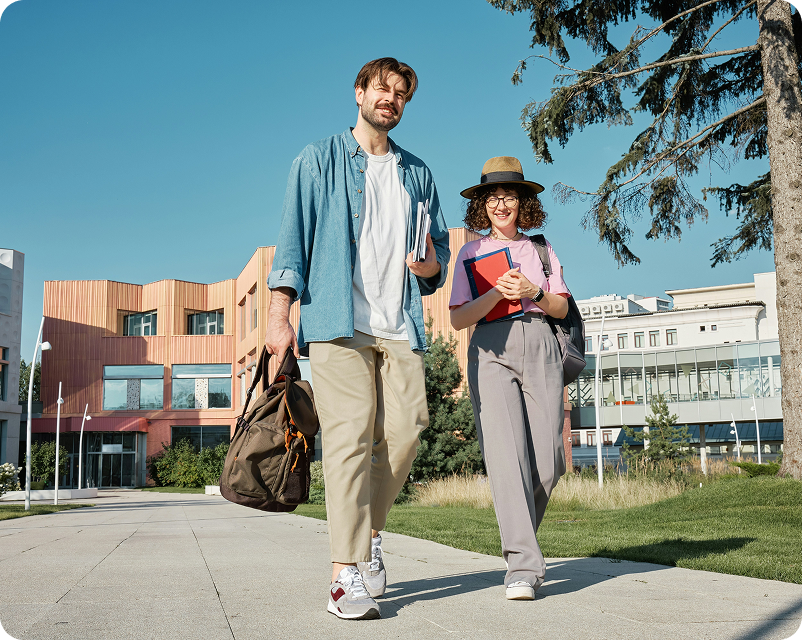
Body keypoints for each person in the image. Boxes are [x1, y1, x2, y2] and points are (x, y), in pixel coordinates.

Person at [265, 57, 450, 620]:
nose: (390, 98)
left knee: (407, 431)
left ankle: (369, 538)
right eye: (382, 89)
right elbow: (293, 242)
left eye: (401, 93)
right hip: (336, 323)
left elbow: (437, 254)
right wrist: (279, 316)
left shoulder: (417, 172)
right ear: (359, 93)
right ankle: (344, 577)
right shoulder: (316, 159)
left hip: (398, 323)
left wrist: (427, 266)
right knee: (347, 440)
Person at [449, 156, 569, 601]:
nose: (502, 204)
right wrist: (494, 294)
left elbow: (561, 307)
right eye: (493, 197)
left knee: (550, 459)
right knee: (506, 457)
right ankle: (522, 566)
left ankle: (523, 543)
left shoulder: (541, 249)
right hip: (490, 348)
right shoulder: (470, 252)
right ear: (483, 204)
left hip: (540, 343)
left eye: (510, 196)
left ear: (523, 203)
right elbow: (459, 319)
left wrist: (532, 291)